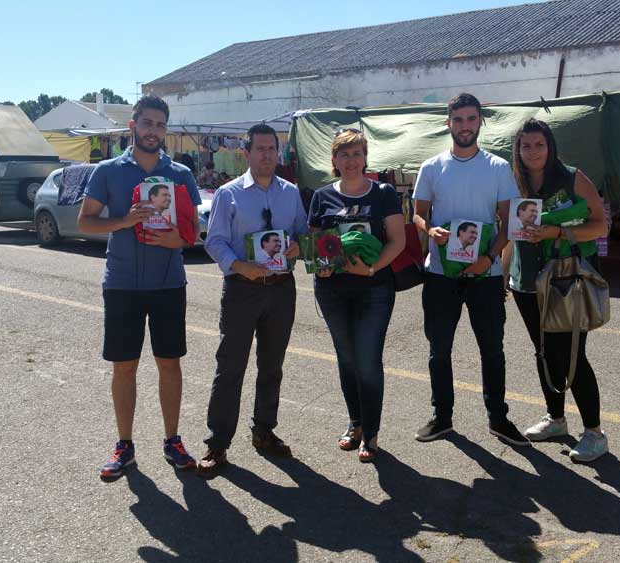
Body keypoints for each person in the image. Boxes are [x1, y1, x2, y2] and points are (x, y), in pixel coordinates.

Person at [77, 95, 202, 480]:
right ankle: (124, 446)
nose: (153, 131)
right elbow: (85, 222)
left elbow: (194, 230)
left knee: (170, 363)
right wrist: (124, 220)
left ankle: (172, 441)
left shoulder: (180, 173)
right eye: (147, 123)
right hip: (122, 284)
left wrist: (180, 240)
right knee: (125, 366)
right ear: (133, 126)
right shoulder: (108, 171)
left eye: (160, 125)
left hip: (168, 284)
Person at [412, 92, 529, 447]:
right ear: (448, 123)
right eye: (459, 119)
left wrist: (489, 258)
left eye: (471, 119)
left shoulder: (498, 168)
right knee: (439, 350)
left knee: (492, 350)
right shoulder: (431, 167)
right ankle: (442, 417)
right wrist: (430, 230)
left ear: (480, 122)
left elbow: (509, 222)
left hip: (485, 275)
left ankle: (498, 418)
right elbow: (417, 214)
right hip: (441, 275)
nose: (465, 126)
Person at [199, 124, 307, 477]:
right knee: (230, 367)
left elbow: (303, 232)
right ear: (246, 153)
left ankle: (264, 431)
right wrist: (240, 266)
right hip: (241, 290)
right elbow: (214, 241)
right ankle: (217, 443)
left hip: (281, 288)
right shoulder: (228, 194)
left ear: (278, 152)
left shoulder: (290, 193)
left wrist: (298, 246)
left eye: (271, 148)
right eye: (259, 149)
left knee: (272, 365)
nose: (266, 155)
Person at [504, 118, 609, 462]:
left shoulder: (572, 177)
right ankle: (556, 418)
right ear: (517, 150)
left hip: (565, 278)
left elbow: (600, 226)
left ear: (550, 146)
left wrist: (557, 233)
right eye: (526, 145)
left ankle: (594, 433)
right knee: (544, 352)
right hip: (526, 281)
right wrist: (503, 275)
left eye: (540, 144)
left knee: (571, 354)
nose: (533, 152)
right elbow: (509, 233)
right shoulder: (513, 182)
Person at [308, 128, 405, 463]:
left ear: (365, 158)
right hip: (332, 291)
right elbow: (315, 243)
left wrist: (371, 268)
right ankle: (356, 423)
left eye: (357, 154)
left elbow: (397, 241)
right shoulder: (321, 196)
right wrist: (321, 266)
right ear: (334, 160)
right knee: (347, 359)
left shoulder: (383, 193)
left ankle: (372, 431)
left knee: (367, 359)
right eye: (344, 154)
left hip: (374, 289)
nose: (351, 161)